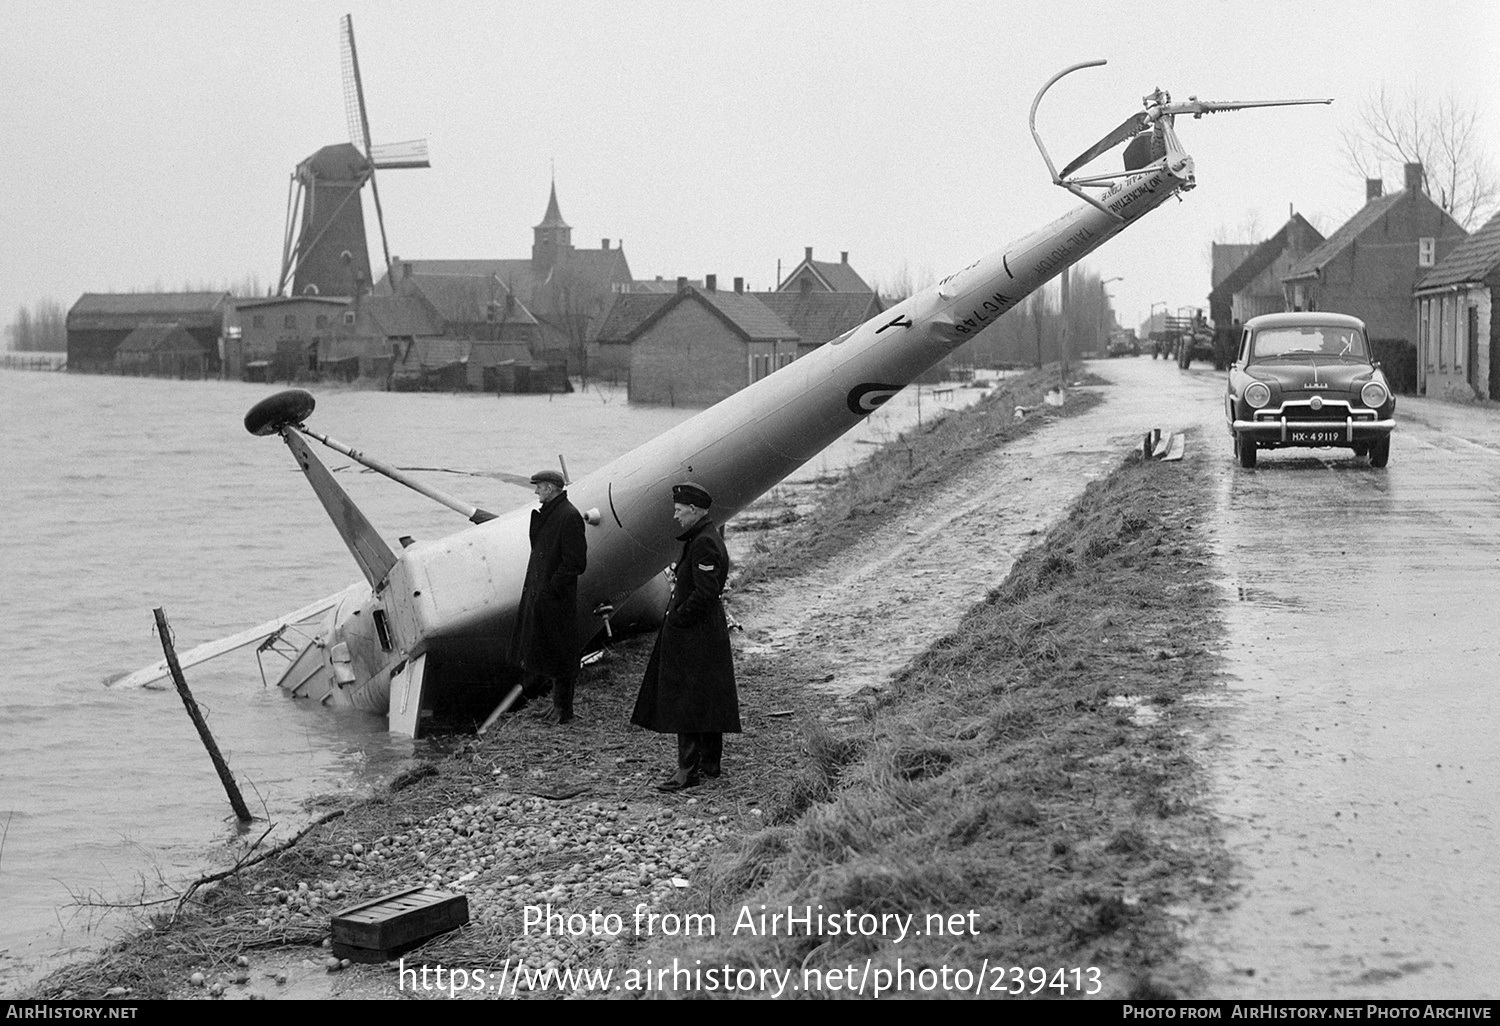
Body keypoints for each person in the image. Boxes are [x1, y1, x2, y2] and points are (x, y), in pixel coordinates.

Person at [631, 482, 740, 791]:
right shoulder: (704, 536)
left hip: (695, 632)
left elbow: (706, 592)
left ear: (694, 510)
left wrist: (679, 618)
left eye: (679, 511)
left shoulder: (704, 542)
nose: (676, 516)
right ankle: (709, 765)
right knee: (706, 695)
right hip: (706, 631)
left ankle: (686, 771)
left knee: (687, 699)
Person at [507, 469, 587, 723]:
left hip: (557, 598)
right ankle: (557, 706)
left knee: (560, 653)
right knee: (551, 652)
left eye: (539, 487)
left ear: (551, 489)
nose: (536, 492)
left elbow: (575, 563)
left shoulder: (569, 516)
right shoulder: (554, 514)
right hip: (546, 596)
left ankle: (563, 709)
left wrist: (550, 589)